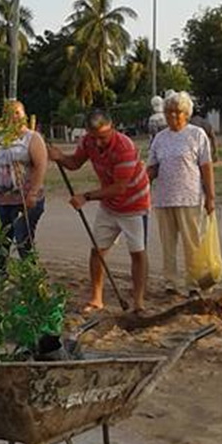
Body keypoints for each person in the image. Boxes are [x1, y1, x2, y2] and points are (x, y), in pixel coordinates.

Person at [48, 109, 150, 313]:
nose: (98, 143)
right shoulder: (88, 142)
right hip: (109, 206)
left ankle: (138, 302)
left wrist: (85, 197)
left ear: (111, 129)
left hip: (134, 204)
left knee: (137, 252)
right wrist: (59, 157)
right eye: (94, 138)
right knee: (97, 250)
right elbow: (75, 163)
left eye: (102, 138)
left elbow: (119, 188)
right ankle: (96, 298)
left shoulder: (124, 148)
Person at [147, 90, 215, 297]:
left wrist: (210, 196)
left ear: (186, 113)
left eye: (177, 112)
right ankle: (170, 282)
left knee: (192, 242)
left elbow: (206, 166)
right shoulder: (160, 137)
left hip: (190, 197)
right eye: (169, 112)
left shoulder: (196, 134)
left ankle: (194, 283)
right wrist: (140, 182)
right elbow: (152, 166)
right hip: (164, 198)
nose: (172, 116)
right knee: (168, 244)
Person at [0, 100, 48, 274]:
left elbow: (41, 166)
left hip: (24, 202)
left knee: (23, 243)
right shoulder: (1, 141)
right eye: (9, 114)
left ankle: (32, 286)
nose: (13, 117)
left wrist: (32, 194)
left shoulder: (32, 138)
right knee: (0, 245)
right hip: (1, 202)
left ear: (24, 115)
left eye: (17, 112)